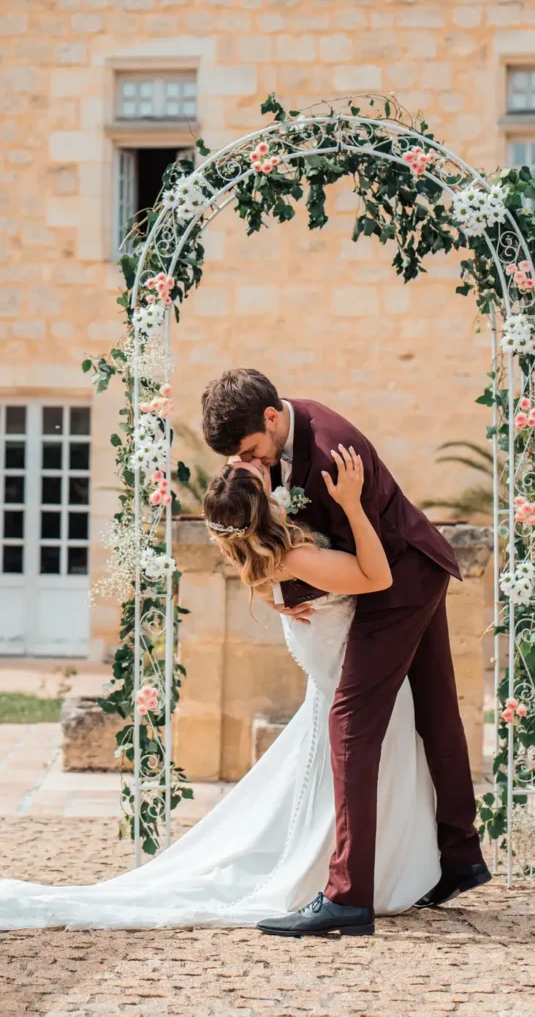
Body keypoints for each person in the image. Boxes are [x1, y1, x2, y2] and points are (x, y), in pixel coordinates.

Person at [0, 444, 447, 930]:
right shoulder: (297, 556)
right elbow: (377, 577)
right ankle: (369, 877)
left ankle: (367, 871)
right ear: (264, 507)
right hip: (361, 683)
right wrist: (353, 505)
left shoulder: (257, 557)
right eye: (257, 474)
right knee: (371, 774)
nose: (260, 466)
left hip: (341, 682)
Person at [201, 369, 489, 938]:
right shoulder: (276, 433)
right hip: (406, 569)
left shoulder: (332, 454)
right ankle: (460, 858)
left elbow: (367, 563)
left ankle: (348, 896)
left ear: (271, 418)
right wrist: (280, 585)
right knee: (435, 712)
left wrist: (290, 576)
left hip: (398, 580)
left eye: (249, 451)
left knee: (351, 723)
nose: (246, 463)